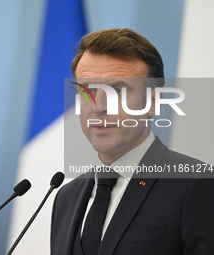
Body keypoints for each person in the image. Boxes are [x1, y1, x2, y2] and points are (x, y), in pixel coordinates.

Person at [51, 28, 214, 255]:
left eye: (117, 90)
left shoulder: (198, 184)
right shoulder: (65, 197)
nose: (98, 107)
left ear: (154, 102)